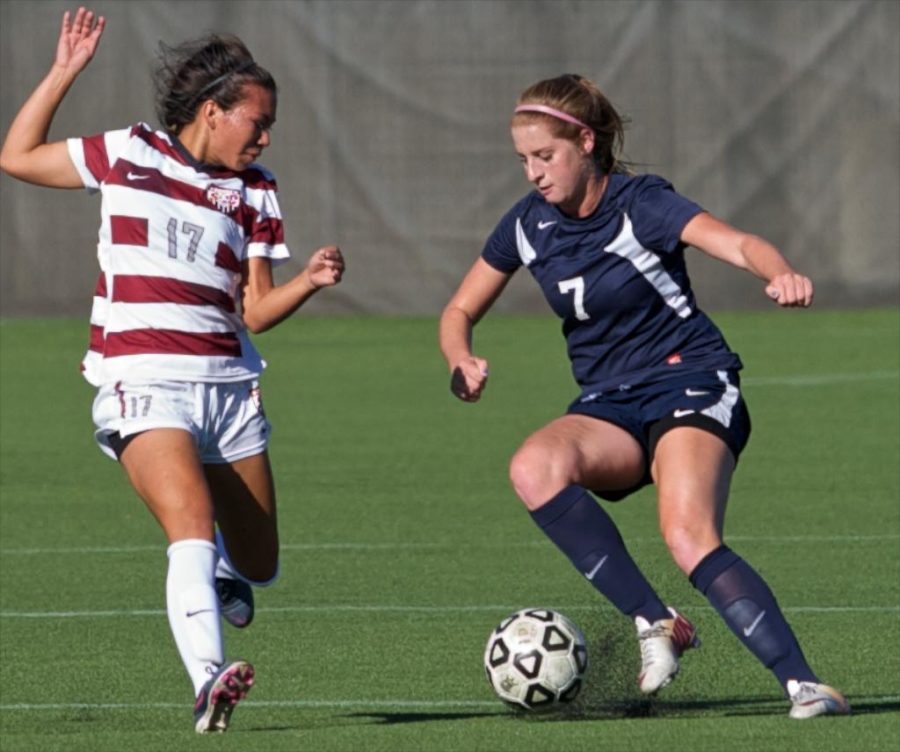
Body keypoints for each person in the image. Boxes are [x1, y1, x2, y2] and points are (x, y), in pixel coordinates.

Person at [439, 73, 849, 719]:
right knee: (533, 467)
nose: (534, 174)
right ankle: (655, 620)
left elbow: (736, 241)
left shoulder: (640, 204)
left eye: (545, 156)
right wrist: (459, 358)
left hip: (689, 379)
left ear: (586, 141)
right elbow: (459, 308)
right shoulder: (525, 226)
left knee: (687, 536)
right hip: (610, 402)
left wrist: (781, 273)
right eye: (523, 160)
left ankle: (805, 684)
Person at [0, 8, 345, 733]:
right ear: (213, 111)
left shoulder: (255, 190)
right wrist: (65, 71)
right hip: (143, 381)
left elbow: (253, 310)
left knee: (259, 565)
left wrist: (307, 281)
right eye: (256, 119)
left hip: (228, 392)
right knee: (188, 522)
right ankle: (208, 680)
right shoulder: (129, 152)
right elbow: (17, 155)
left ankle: (224, 569)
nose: (265, 134)